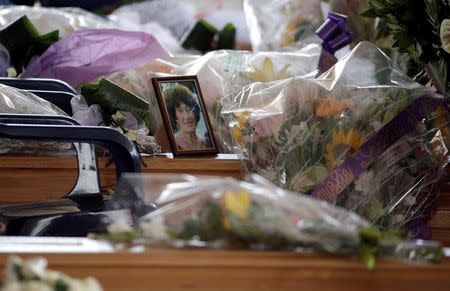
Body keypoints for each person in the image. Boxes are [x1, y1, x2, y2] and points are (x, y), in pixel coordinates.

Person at [164, 84, 211, 151]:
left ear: (196, 112)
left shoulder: (208, 142)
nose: (187, 117)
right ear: (175, 117)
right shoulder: (170, 146)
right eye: (180, 111)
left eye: (189, 109)